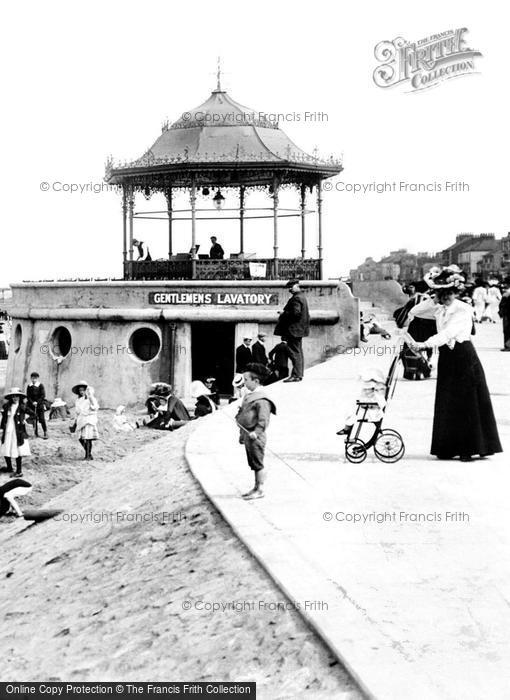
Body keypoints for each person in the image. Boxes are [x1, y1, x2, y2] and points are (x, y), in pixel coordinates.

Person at [407, 267, 502, 462]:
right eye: (442, 294)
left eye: (449, 293)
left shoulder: (463, 310)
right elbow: (415, 311)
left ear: (456, 292)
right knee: (448, 401)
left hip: (464, 358)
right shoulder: (439, 308)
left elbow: (447, 334)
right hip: (448, 359)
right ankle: (448, 447)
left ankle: (469, 448)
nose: (446, 297)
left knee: (466, 402)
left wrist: (424, 344)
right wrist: (433, 299)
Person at [236, 363, 276, 500]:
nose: (244, 383)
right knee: (253, 462)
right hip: (248, 435)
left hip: (255, 436)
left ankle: (260, 489)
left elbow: (263, 420)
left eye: (246, 380)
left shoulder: (262, 399)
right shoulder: (250, 395)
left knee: (258, 463)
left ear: (256, 381)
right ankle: (255, 487)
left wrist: (257, 432)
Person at [274, 279, 310, 382]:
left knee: (294, 353)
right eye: (289, 287)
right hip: (299, 330)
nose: (290, 289)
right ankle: (299, 374)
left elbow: (296, 313)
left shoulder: (296, 298)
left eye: (291, 287)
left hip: (293, 330)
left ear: (297, 286)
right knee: (298, 352)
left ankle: (295, 375)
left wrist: (283, 313)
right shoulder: (302, 297)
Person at [336, 368, 387, 436]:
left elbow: (379, 401)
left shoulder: (374, 387)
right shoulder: (374, 386)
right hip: (369, 406)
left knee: (352, 411)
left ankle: (347, 429)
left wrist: (366, 403)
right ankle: (347, 428)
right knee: (351, 408)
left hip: (371, 410)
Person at [0, 388, 31, 477]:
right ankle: (9, 467)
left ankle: (19, 471)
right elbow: (4, 419)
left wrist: (25, 420)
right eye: (13, 396)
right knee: (6, 447)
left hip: (17, 431)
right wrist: (1, 428)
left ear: (20, 397)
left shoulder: (22, 406)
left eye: (17, 396)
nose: (15, 398)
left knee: (17, 449)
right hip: (8, 429)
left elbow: (33, 414)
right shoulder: (7, 406)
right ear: (11, 397)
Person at [71, 381, 99, 461]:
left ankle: (87, 456)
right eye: (80, 390)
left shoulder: (91, 398)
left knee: (88, 438)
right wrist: (75, 422)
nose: (82, 392)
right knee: (81, 438)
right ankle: (89, 454)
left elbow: (95, 408)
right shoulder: (78, 401)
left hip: (89, 420)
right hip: (81, 420)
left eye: (83, 390)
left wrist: (90, 398)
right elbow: (77, 412)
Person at [26, 372, 48, 439]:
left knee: (42, 419)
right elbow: (28, 396)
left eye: (35, 378)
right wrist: (32, 402)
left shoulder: (40, 385)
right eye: (32, 378)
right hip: (32, 405)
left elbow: (43, 395)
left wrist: (37, 402)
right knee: (34, 419)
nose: (34, 379)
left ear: (37, 378)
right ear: (31, 378)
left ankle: (45, 432)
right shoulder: (29, 386)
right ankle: (35, 433)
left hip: (40, 405)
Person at [499, 286, 510, 351]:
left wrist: (501, 313)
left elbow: (501, 305)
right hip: (507, 314)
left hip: (507, 315)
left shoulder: (506, 294)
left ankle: (508, 346)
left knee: (507, 330)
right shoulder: (507, 293)